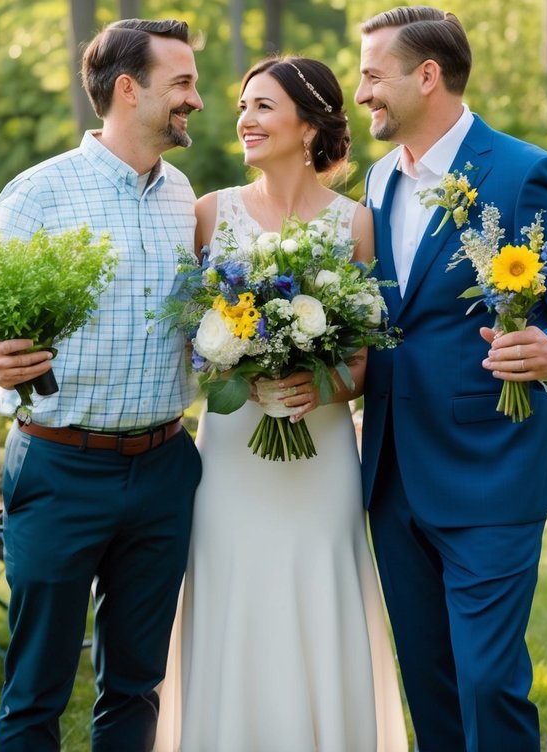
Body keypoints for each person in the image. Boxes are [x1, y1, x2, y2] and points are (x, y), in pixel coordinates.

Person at [356, 6, 547, 752]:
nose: (360, 94)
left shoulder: (521, 173)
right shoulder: (378, 182)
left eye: (372, 76)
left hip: (489, 468)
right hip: (390, 475)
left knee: (486, 681)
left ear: (427, 75)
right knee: (430, 684)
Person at [0, 18, 205, 752]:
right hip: (60, 466)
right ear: (128, 89)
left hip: (163, 467)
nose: (198, 101)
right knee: (37, 690)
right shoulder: (40, 193)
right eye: (182, 83)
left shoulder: (185, 197)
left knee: (136, 684)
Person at [154, 56, 407, 752]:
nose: (243, 119)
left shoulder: (356, 222)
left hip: (321, 454)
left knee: (316, 595)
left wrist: (317, 385)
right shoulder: (210, 215)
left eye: (262, 106)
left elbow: (362, 360)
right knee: (234, 596)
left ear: (309, 123)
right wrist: (239, 368)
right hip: (234, 453)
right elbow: (190, 340)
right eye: (242, 105)